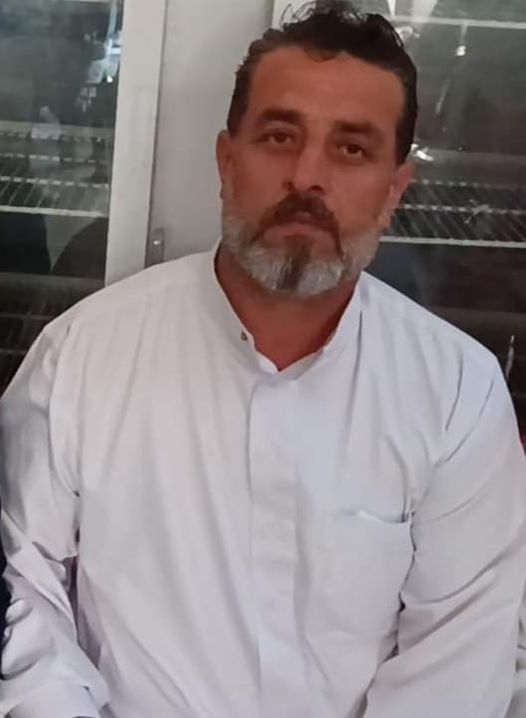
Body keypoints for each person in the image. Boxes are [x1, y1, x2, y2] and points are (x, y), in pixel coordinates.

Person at [1, 2, 525, 717]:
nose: (307, 177)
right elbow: (21, 589)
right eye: (280, 137)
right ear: (227, 160)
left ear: (393, 191)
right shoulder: (82, 356)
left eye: (351, 149)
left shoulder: (458, 394)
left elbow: (459, 657)